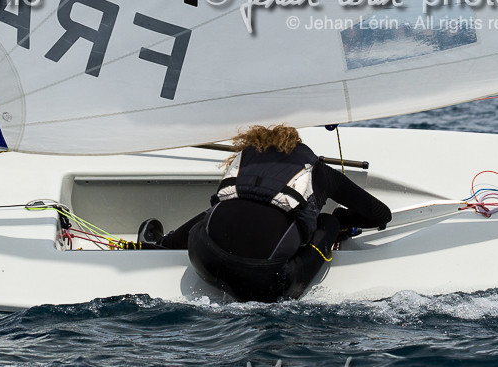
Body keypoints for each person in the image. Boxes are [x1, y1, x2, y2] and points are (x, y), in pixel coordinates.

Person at [138, 124, 391, 303]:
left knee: (222, 210)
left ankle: (161, 244)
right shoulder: (318, 170)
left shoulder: (244, 161)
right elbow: (380, 214)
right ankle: (336, 223)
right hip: (266, 286)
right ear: (296, 145)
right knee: (329, 221)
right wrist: (342, 220)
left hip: (203, 261)